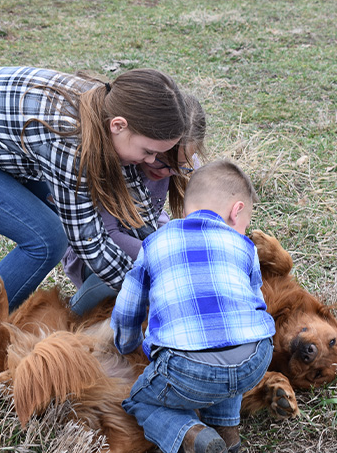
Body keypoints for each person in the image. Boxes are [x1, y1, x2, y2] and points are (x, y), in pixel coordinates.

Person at [0, 66, 190, 368]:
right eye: (148, 152)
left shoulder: (106, 107)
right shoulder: (69, 141)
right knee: (47, 238)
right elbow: (88, 241)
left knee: (60, 222)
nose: (151, 162)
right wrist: (148, 291)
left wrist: (166, 258)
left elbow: (135, 207)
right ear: (118, 125)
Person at [110, 159, 276, 453]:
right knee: (232, 336)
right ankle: (227, 432)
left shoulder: (154, 243)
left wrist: (126, 344)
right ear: (236, 211)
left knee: (137, 400)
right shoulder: (245, 247)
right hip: (256, 358)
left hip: (187, 369)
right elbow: (256, 305)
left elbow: (128, 307)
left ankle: (191, 434)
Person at [62, 93, 207, 315]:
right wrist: (166, 255)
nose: (168, 172)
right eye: (161, 160)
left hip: (147, 237)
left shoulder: (182, 162)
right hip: (97, 252)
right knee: (131, 277)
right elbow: (108, 235)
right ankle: (72, 314)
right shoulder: (115, 165)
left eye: (180, 166)